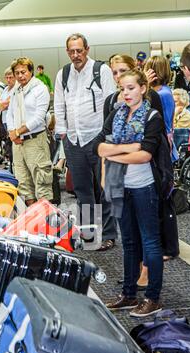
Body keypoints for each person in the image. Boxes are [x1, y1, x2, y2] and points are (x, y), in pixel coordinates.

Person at [95, 69, 163, 317]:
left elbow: (145, 154)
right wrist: (128, 147)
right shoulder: (116, 113)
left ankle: (153, 297)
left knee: (150, 242)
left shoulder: (152, 117)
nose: (126, 93)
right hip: (119, 185)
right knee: (129, 242)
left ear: (143, 88)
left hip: (144, 187)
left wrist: (114, 150)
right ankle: (129, 294)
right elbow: (99, 146)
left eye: (131, 88)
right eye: (123, 88)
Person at [54, 32, 117, 249]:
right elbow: (59, 105)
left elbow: (111, 104)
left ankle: (109, 235)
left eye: (79, 50)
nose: (75, 55)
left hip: (98, 138)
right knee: (82, 191)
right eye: (71, 51)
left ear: (87, 50)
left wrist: (107, 137)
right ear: (67, 52)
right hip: (74, 140)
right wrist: (63, 134)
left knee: (104, 188)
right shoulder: (63, 74)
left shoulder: (102, 70)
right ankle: (89, 236)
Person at [7, 57, 53, 206]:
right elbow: (10, 113)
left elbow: (39, 118)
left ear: (31, 72)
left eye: (23, 72)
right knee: (23, 183)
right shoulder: (16, 89)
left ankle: (46, 221)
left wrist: (18, 132)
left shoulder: (40, 88)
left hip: (35, 140)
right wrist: (12, 133)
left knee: (41, 181)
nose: (20, 76)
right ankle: (32, 220)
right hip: (18, 143)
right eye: (17, 73)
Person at [0, 67, 16, 168]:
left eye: (11, 77)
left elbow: (4, 105)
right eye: (7, 78)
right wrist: (2, 104)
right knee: (8, 146)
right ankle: (11, 166)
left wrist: (2, 104)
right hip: (4, 120)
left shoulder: (16, 89)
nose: (9, 80)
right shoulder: (6, 89)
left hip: (13, 122)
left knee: (13, 146)